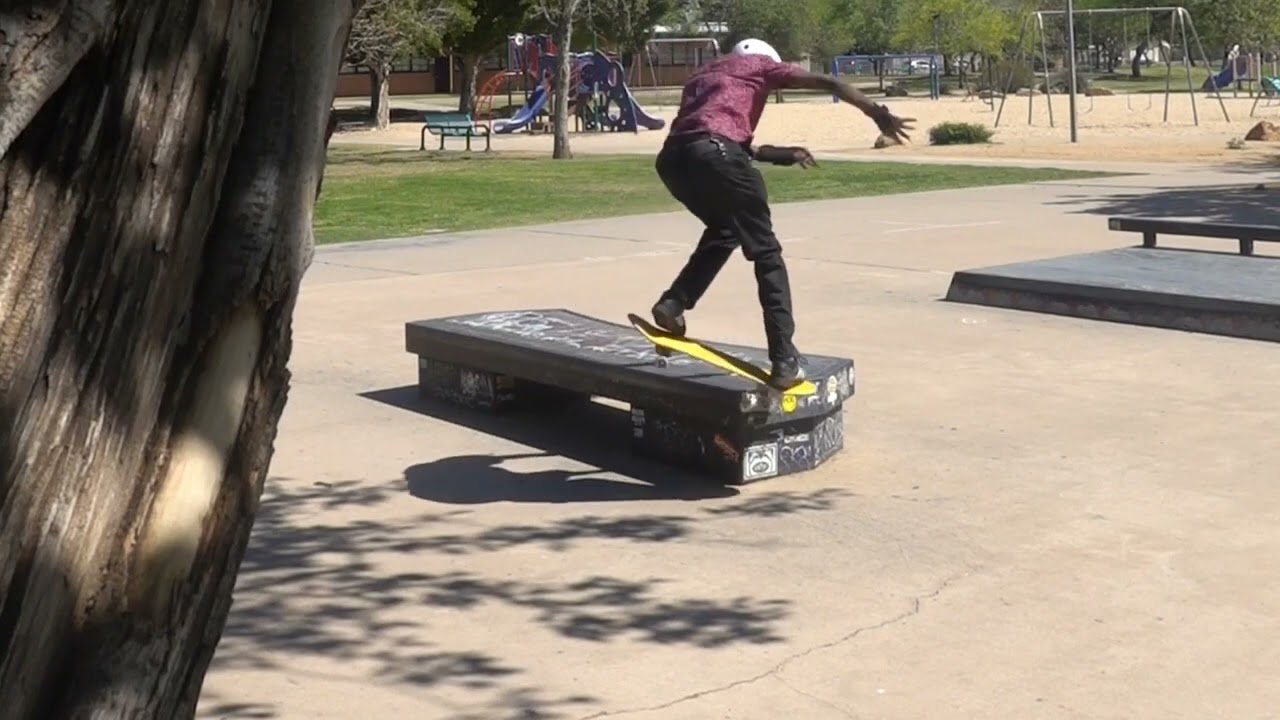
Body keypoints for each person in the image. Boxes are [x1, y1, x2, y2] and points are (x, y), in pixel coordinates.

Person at [650, 38, 914, 388]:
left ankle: (673, 304)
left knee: (724, 229)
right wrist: (877, 113)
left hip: (673, 162)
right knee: (766, 255)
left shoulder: (705, 73)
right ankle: (784, 358)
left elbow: (719, 140)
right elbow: (830, 82)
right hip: (715, 156)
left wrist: (784, 155)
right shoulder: (761, 65)